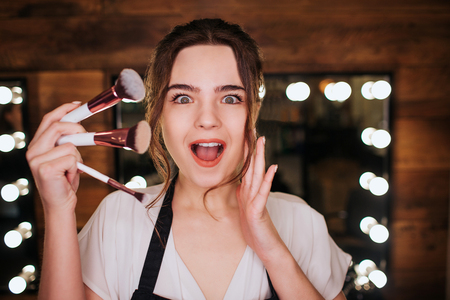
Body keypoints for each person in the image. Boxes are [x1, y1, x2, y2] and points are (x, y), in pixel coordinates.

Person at [26, 18, 351, 300]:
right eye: (183, 97)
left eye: (230, 97)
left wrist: (271, 247)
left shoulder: (299, 221)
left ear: (251, 114)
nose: (207, 118)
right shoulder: (119, 218)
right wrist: (57, 210)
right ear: (158, 116)